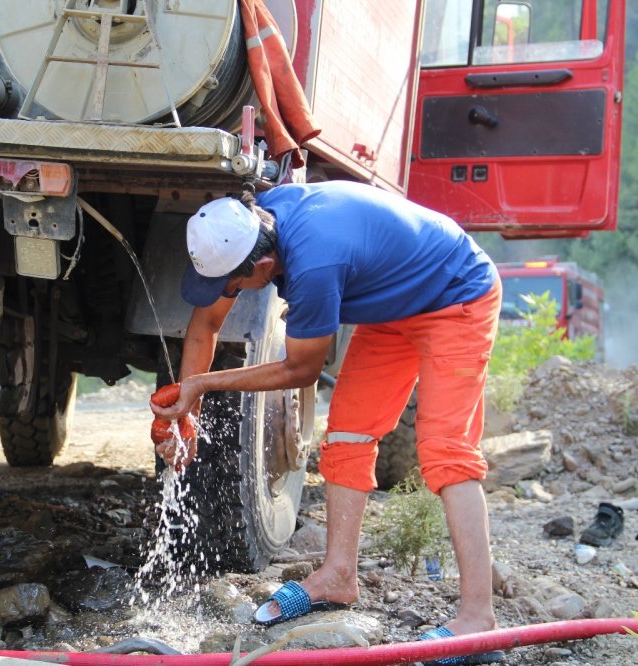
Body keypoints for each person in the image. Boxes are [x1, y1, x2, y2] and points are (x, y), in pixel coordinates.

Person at [149, 179, 504, 665]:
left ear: (264, 266)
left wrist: (205, 386)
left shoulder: (314, 265)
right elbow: (205, 324)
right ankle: (339, 575)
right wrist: (186, 418)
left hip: (456, 295)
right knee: (347, 439)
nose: (226, 294)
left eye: (232, 285)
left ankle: (477, 620)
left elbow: (301, 369)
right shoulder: (250, 225)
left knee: (447, 453)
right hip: (394, 303)